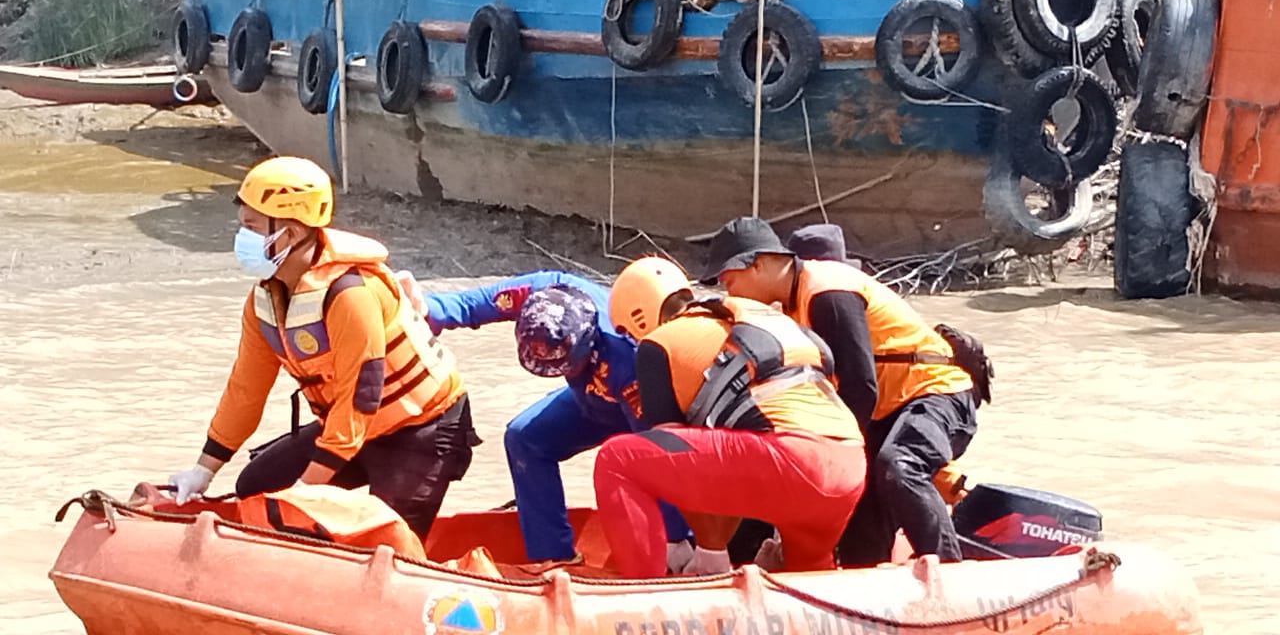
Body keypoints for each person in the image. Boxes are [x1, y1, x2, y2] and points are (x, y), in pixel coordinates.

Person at [168, 155, 478, 538]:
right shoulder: (265, 299)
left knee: (384, 540)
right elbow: (246, 390)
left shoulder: (350, 294)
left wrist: (307, 489)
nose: (241, 237)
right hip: (352, 431)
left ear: (292, 234)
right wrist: (203, 470)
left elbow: (359, 397)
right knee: (258, 488)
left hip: (422, 430)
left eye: (251, 226)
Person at [698, 217, 978, 564]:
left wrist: (830, 454)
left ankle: (948, 574)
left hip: (935, 396)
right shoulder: (792, 306)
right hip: (886, 413)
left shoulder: (826, 291)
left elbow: (860, 386)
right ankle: (863, 589)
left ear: (758, 265)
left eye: (730, 282)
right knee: (860, 517)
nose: (730, 295)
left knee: (899, 465)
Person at [594, 257, 866, 578]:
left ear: (637, 318)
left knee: (617, 459)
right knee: (805, 577)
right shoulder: (757, 317)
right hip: (850, 465)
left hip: (787, 458)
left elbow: (683, 467)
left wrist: (710, 551)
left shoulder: (658, 345)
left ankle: (641, 595)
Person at [400, 271, 694, 568]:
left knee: (628, 465)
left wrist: (676, 536)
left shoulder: (627, 355)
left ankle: (687, 541)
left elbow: (658, 453)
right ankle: (553, 555)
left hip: (636, 413)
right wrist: (426, 307)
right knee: (524, 438)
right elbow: (476, 303)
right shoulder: (543, 292)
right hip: (590, 401)